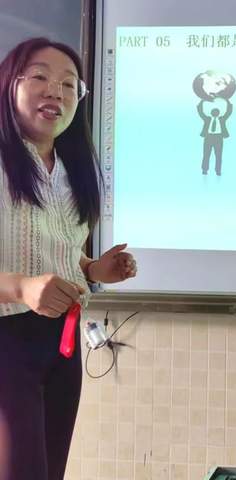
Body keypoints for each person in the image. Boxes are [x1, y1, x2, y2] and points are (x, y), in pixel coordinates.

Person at [0, 38, 137, 480]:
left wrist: (92, 269)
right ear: (9, 83)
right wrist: (20, 287)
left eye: (68, 85)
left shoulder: (71, 167)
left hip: (61, 340)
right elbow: (25, 273)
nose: (55, 92)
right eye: (40, 77)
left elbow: (53, 245)